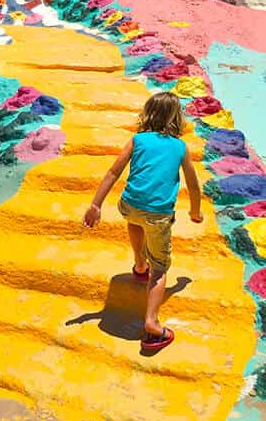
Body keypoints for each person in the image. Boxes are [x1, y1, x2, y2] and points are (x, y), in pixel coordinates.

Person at [82, 91, 203, 352]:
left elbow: (113, 172)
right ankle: (151, 323)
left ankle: (138, 265)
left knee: (135, 221)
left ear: (147, 114)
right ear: (177, 118)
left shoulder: (137, 140)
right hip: (158, 215)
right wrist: (195, 212)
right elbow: (193, 185)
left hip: (129, 206)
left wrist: (95, 204)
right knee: (159, 268)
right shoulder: (180, 147)